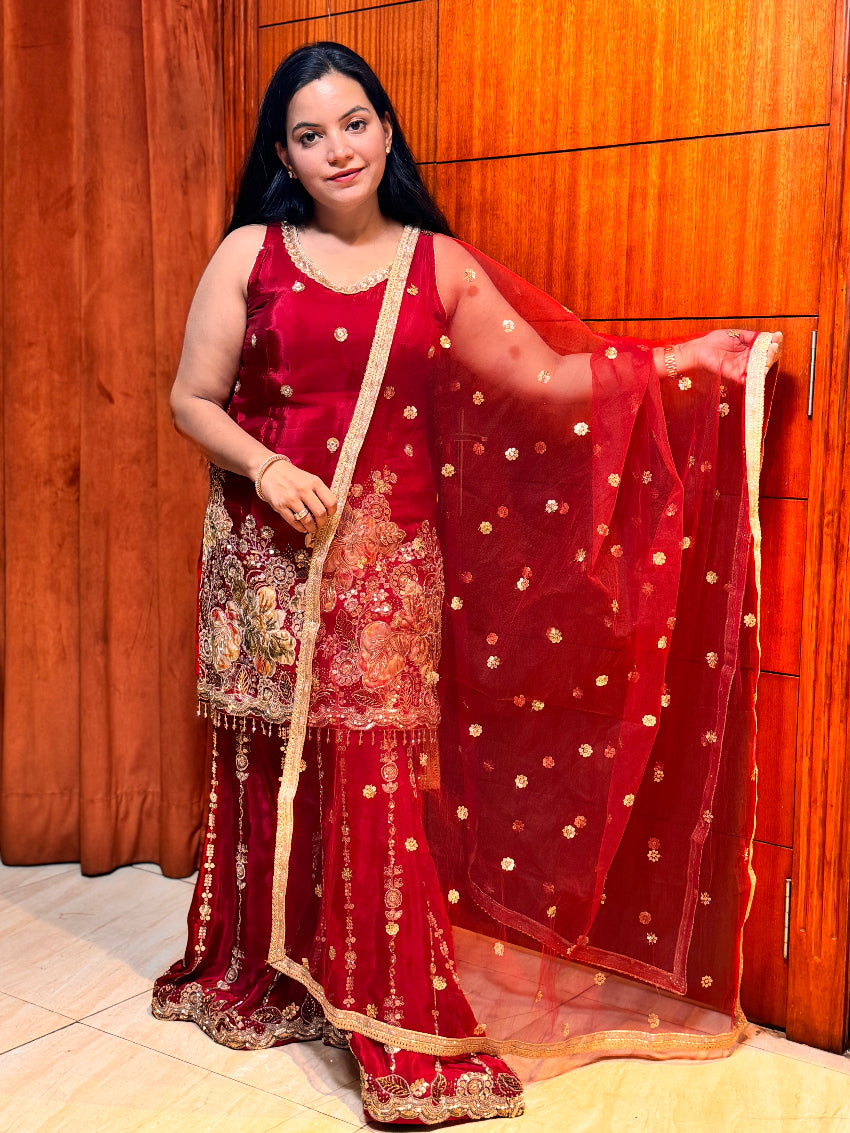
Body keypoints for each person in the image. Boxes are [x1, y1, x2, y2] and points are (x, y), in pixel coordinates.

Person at [152, 42, 782, 1125]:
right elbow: (190, 397)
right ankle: (269, 962)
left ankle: (382, 998)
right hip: (264, 558)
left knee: (375, 773)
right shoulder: (252, 253)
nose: (336, 148)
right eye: (309, 134)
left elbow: (542, 382)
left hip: (387, 566)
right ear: (284, 154)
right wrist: (267, 464)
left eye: (354, 123)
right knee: (267, 757)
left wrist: (685, 364)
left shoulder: (435, 265)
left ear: (386, 132)